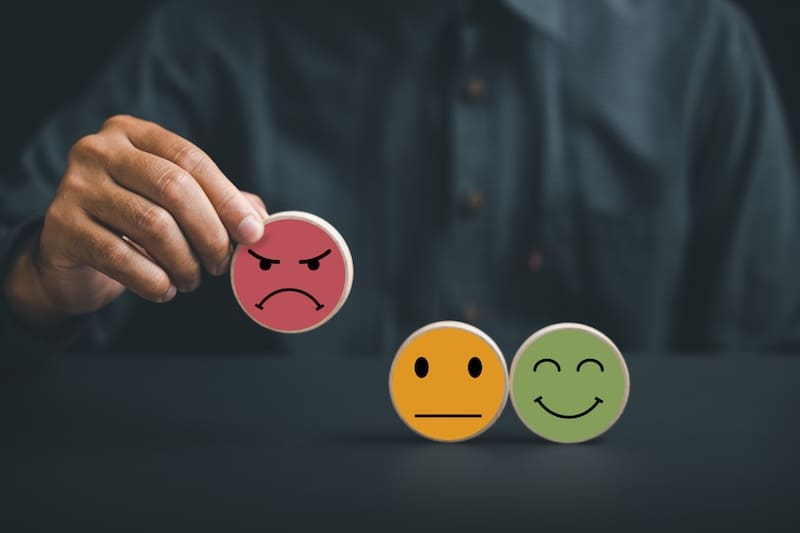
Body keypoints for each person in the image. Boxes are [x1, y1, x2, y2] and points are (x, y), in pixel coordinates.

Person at [1, 0, 799, 359]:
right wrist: (39, 284)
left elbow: (768, 369)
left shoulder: (700, 45)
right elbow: (28, 259)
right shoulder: (207, 32)